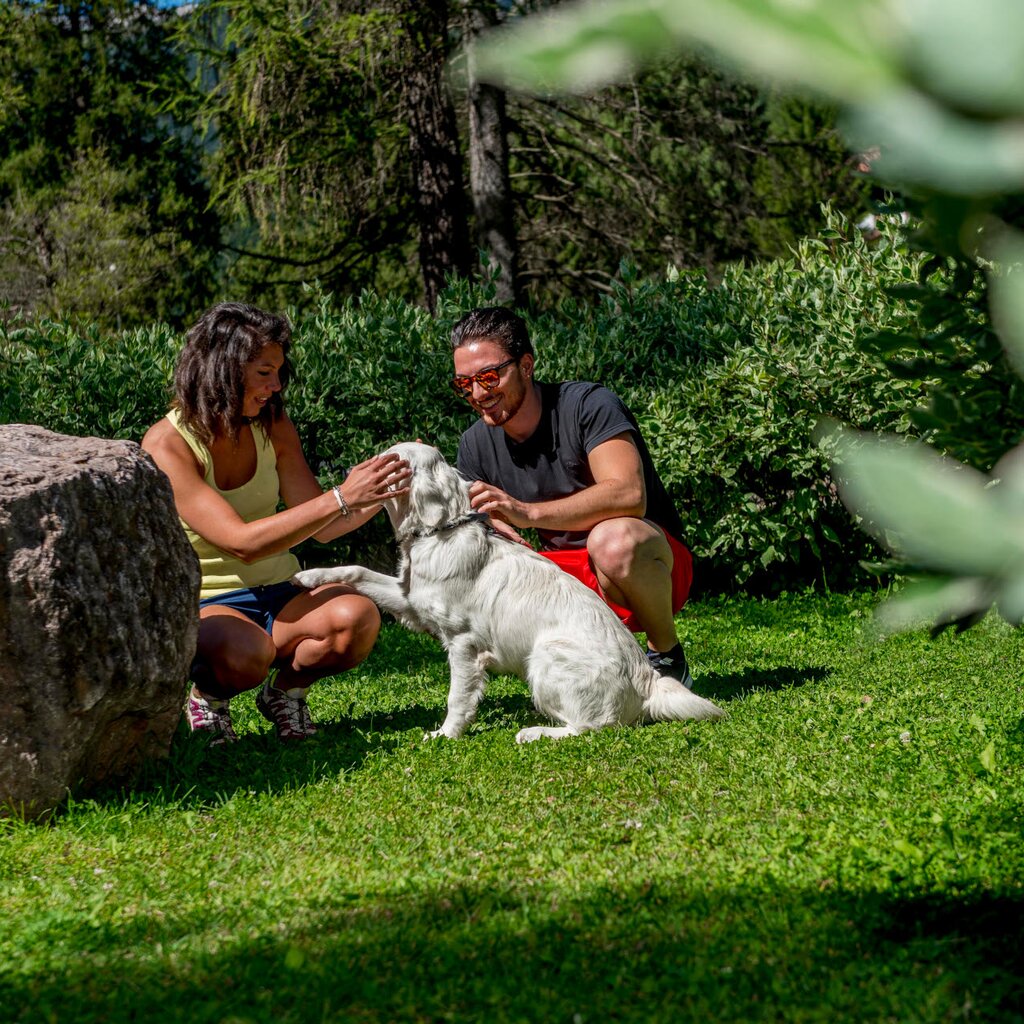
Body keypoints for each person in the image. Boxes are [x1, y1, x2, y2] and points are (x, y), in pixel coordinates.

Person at [142, 302, 410, 745]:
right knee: (248, 652)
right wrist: (342, 496)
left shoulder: (273, 424)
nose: (276, 385)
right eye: (265, 372)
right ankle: (208, 697)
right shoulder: (168, 444)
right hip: (212, 602)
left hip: (282, 590)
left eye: (279, 372)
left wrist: (381, 489)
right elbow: (241, 543)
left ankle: (286, 692)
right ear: (223, 369)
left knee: (357, 617)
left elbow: (323, 525)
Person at [450, 306, 696, 687]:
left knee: (611, 541)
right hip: (566, 577)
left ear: (526, 366)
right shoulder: (475, 444)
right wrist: (489, 524)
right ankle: (582, 670)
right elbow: (469, 532)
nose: (478, 394)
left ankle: (666, 656)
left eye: (488, 376)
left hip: (650, 561)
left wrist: (526, 512)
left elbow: (629, 494)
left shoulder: (587, 405)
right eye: (465, 384)